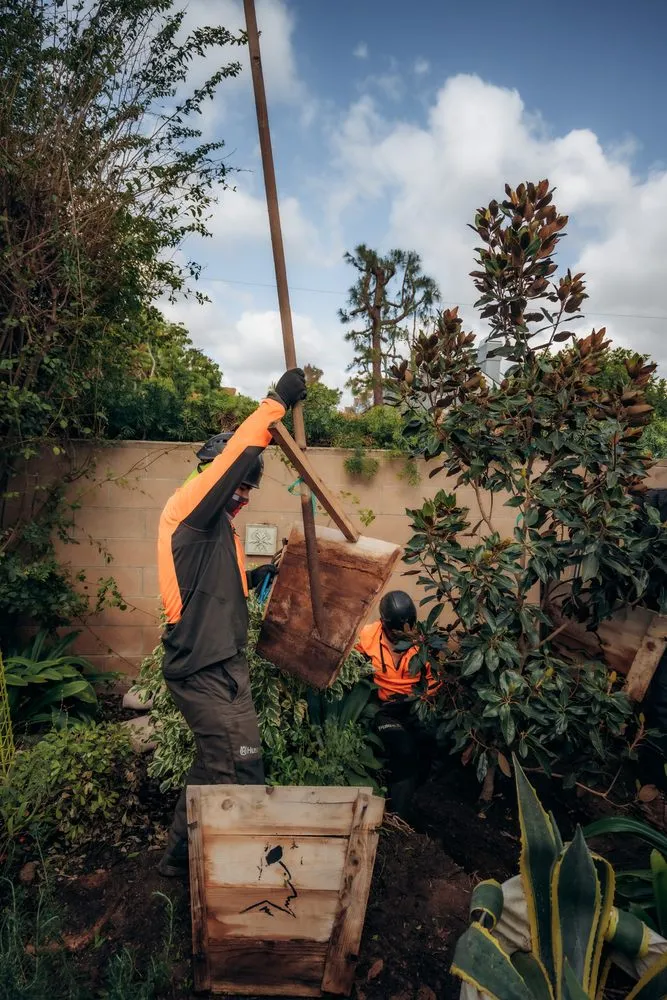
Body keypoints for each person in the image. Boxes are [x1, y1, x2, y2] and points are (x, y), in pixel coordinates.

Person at [156, 368, 307, 876]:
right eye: (238, 487)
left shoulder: (217, 529)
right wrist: (275, 404)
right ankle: (221, 876)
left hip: (227, 669)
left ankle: (180, 856)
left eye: (249, 491)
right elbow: (237, 456)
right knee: (229, 769)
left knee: (239, 756)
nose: (242, 496)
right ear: (215, 475)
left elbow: (218, 585)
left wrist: (265, 572)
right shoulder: (188, 508)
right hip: (199, 671)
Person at [355, 590, 440, 823]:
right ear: (384, 624)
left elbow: (433, 682)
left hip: (414, 704)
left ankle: (417, 801)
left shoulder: (422, 644)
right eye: (396, 631)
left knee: (433, 741)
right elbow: (354, 669)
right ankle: (397, 818)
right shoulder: (368, 637)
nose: (402, 635)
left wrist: (417, 699)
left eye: (407, 628)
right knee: (404, 749)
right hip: (383, 709)